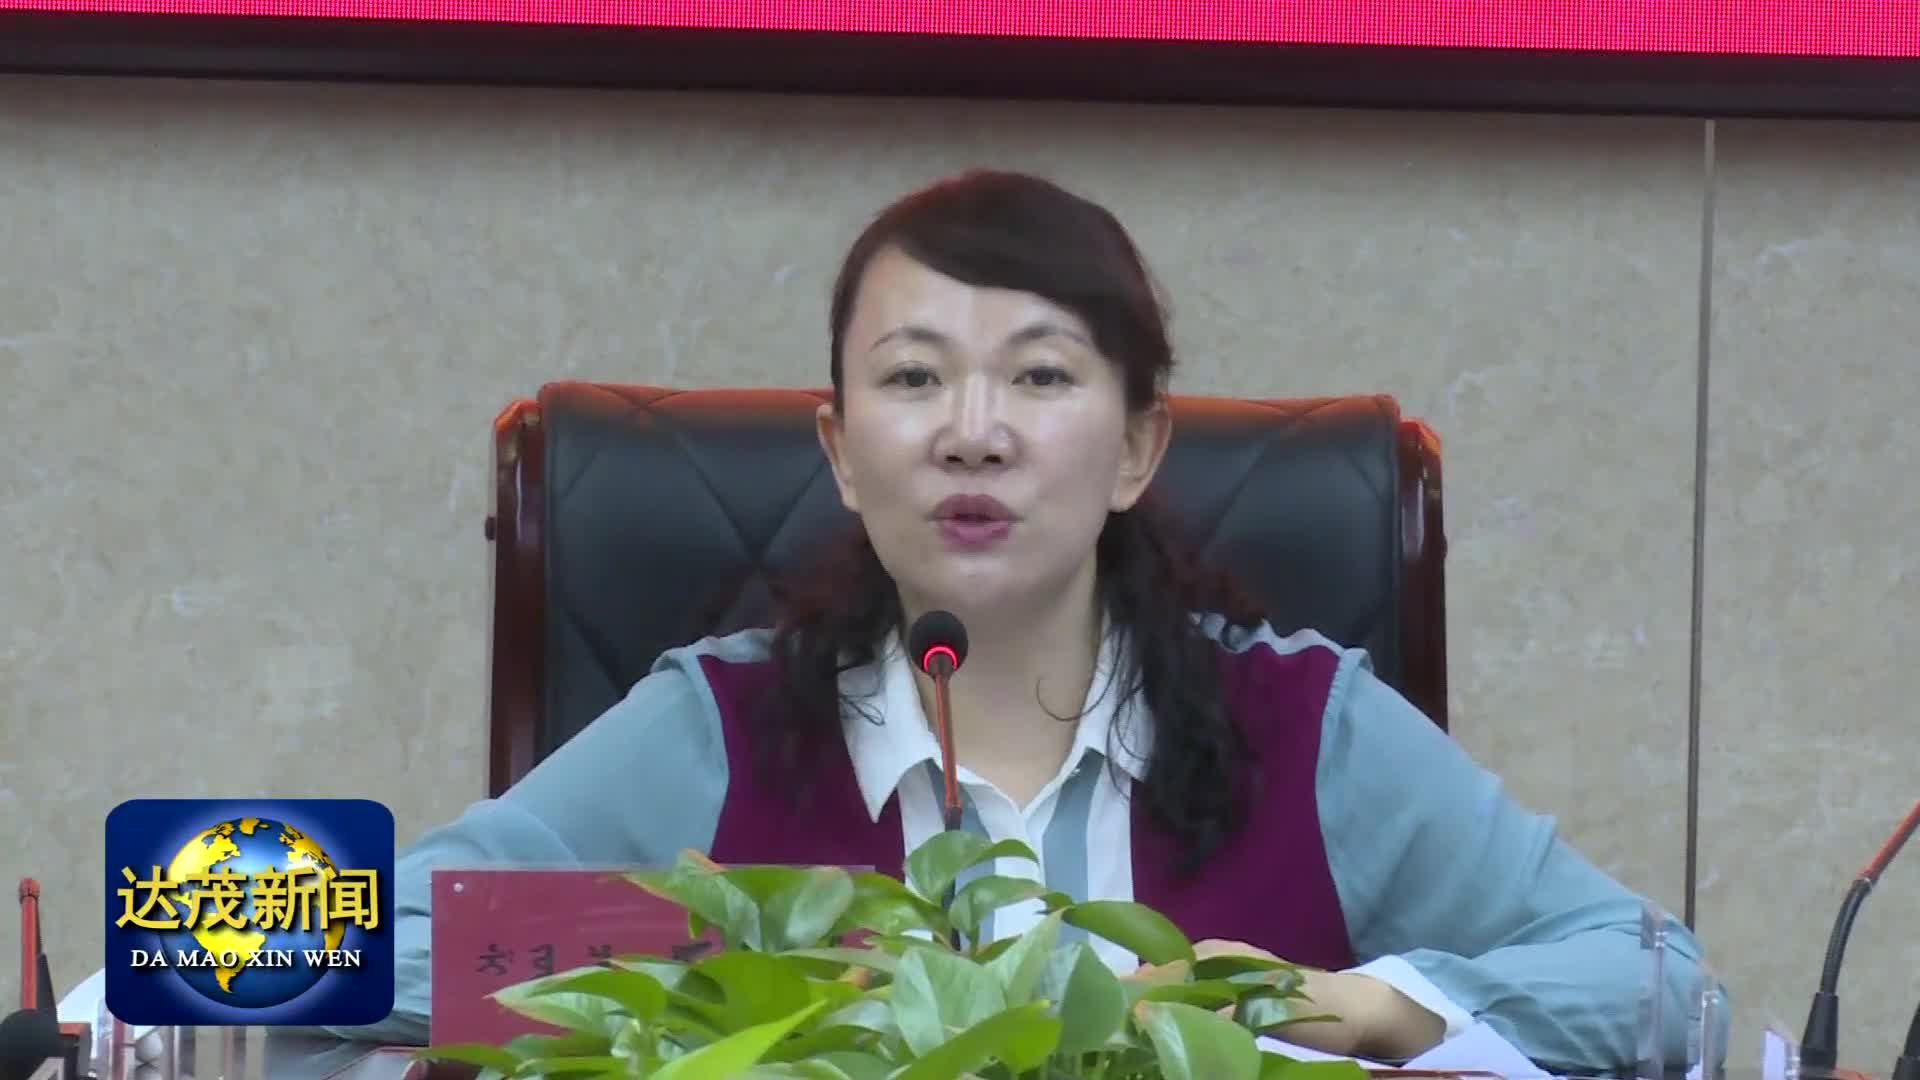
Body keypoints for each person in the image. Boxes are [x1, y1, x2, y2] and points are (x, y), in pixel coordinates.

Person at [338, 169, 1717, 1072]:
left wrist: (1364, 1005)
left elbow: (1667, 990)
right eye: (914, 379)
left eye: (1042, 377)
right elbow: (281, 947)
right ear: (840, 451)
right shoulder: (716, 724)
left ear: (1137, 447)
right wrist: (729, 958)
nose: (974, 433)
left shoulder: (1308, 726)